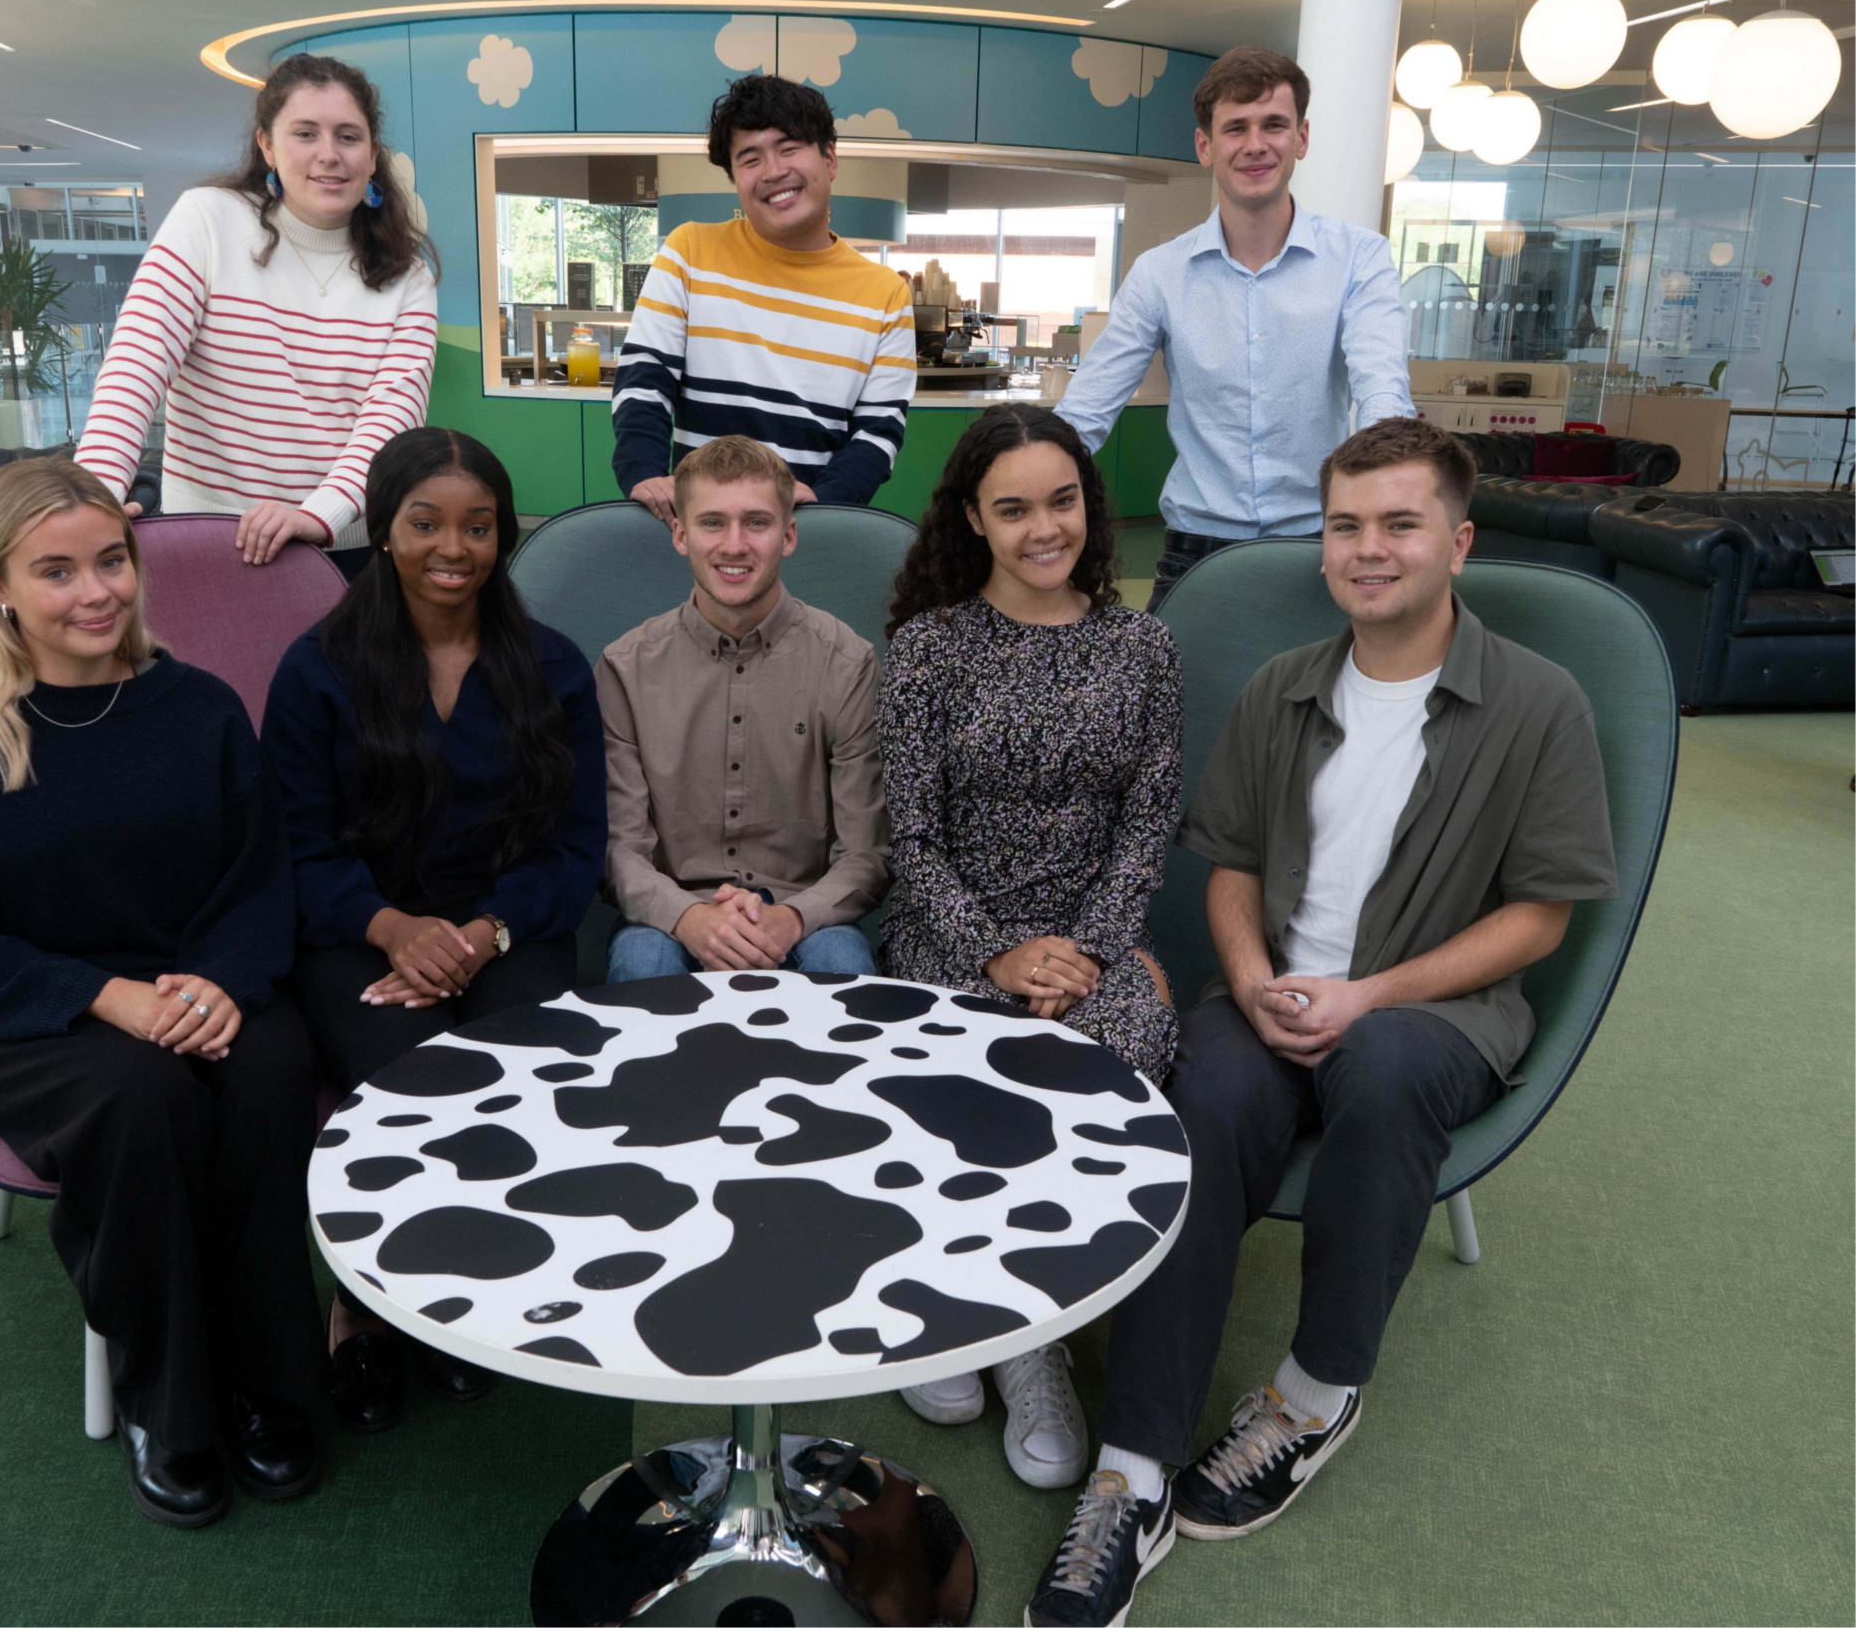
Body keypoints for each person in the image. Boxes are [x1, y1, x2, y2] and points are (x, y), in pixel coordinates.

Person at [1026, 418, 1617, 1628]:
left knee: (1387, 1069)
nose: (1366, 548)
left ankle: (1311, 1391)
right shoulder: (1282, 689)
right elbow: (1229, 870)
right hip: (1274, 991)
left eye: (1398, 523)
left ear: (1456, 541)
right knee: (1208, 1096)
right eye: (1344, 524)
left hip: (1428, 1012)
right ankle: (1130, 1472)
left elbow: (1541, 919)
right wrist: (1246, 981)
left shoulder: (1536, 702)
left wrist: (1369, 994)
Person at [0, 458, 324, 1529]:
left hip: (196, 987)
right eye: (56, 570)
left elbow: (261, 876)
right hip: (25, 1013)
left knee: (269, 1069)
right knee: (142, 1098)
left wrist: (222, 983)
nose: (95, 592)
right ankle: (165, 1402)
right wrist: (101, 995)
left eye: (110, 561)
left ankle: (270, 1384)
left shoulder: (198, 707)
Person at [260, 425, 606, 1431]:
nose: (451, 547)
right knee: (401, 1078)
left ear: (502, 535)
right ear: (382, 527)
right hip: (352, 930)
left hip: (509, 926)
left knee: (521, 1071)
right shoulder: (315, 668)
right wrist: (394, 927)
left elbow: (574, 850)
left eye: (478, 526)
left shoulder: (552, 667)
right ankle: (366, 1307)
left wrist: (481, 933)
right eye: (424, 523)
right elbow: (295, 848)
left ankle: (468, 1290)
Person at [876, 403, 1183, 1492]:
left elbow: (1148, 824)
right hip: (952, 931)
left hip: (1092, 944)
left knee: (1122, 1040)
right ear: (973, 518)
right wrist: (997, 952)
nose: (1041, 527)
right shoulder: (926, 648)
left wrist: (1089, 953)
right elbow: (907, 834)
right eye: (1012, 508)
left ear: (1090, 509)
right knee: (962, 1061)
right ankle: (946, 1303)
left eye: (1061, 501)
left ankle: (1029, 1334)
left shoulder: (1140, 646)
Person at [1052, 46, 1411, 611]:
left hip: (1322, 544)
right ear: (1205, 146)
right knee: (1173, 701)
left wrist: (1393, 488)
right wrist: (1019, 483)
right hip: (1195, 548)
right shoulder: (1159, 273)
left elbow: (1381, 388)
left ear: (1302, 138)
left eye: (1274, 125)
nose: (1255, 144)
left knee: (1324, 702)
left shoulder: (1359, 259)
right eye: (1235, 128)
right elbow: (1087, 409)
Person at [75, 53, 437, 566]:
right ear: (267, 144)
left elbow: (392, 419)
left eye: (348, 136)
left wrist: (319, 515)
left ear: (373, 155)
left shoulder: (408, 276)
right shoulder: (207, 219)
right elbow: (136, 364)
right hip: (207, 536)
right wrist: (94, 498)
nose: (329, 154)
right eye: (305, 133)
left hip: (339, 545)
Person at [598, 434, 887, 981]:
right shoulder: (626, 666)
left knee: (840, 961)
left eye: (757, 522)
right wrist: (689, 917)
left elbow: (866, 854)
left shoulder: (847, 663)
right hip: (669, 917)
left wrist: (792, 918)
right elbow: (620, 850)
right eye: (712, 523)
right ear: (680, 534)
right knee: (642, 960)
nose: (734, 545)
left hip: (806, 915)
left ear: (789, 535)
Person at [611, 73, 917, 526]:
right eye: (750, 159)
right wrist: (643, 470)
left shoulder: (886, 293)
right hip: (701, 526)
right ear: (734, 177)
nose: (773, 172)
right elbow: (646, 378)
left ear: (829, 159)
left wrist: (825, 503)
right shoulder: (690, 251)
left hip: (810, 528)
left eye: (789, 148)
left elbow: (878, 432)